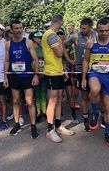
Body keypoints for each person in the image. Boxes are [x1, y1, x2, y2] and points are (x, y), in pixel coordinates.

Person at [81, 18, 109, 147]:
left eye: (107, 30)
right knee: (94, 90)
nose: (104, 33)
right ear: (97, 29)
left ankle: (107, 133)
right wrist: (84, 78)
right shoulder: (90, 43)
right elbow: (85, 60)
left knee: (108, 106)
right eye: (101, 31)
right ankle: (95, 112)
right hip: (94, 73)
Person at [42, 14, 75, 143]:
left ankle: (58, 126)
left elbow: (60, 54)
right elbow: (59, 53)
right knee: (53, 100)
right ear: (60, 22)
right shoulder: (51, 35)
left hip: (58, 71)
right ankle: (50, 130)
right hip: (51, 72)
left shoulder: (53, 35)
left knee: (59, 99)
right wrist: (61, 43)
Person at [4, 20, 39, 139]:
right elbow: (7, 61)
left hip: (27, 76)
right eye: (16, 28)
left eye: (20, 28)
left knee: (29, 101)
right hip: (14, 76)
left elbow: (35, 60)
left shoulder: (28, 42)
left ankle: (33, 126)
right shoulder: (8, 44)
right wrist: (5, 76)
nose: (19, 30)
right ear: (12, 30)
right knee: (15, 101)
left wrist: (35, 75)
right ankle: (17, 124)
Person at [65, 18, 97, 131]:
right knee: (84, 96)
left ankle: (96, 114)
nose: (82, 30)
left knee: (95, 94)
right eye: (81, 27)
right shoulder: (75, 36)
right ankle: (86, 120)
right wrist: (69, 59)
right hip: (80, 69)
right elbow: (63, 46)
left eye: (85, 28)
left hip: (95, 70)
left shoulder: (96, 36)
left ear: (90, 27)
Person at [31, 31, 47, 122]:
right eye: (38, 37)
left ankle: (44, 111)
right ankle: (38, 112)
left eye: (41, 37)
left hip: (44, 72)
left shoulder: (44, 47)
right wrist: (35, 73)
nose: (40, 39)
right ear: (33, 38)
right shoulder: (31, 47)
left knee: (44, 92)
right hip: (34, 74)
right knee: (37, 94)